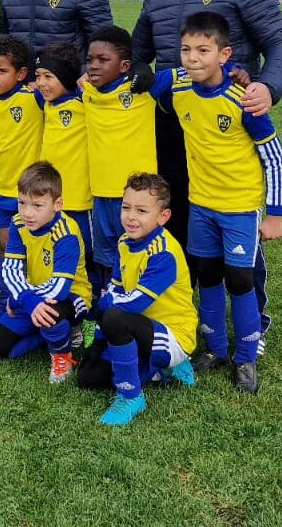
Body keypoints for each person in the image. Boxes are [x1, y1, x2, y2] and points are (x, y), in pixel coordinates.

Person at [131, 0, 282, 346]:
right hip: (172, 126)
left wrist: (267, 87)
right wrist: (133, 70)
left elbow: (280, 43)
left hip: (228, 129)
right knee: (181, 223)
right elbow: (140, 48)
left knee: (236, 229)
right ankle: (189, 318)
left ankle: (254, 323)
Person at [146, 12, 282, 395]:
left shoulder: (244, 99)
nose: (192, 58)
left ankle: (246, 358)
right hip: (200, 205)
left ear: (224, 54)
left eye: (203, 50)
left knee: (239, 280)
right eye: (186, 50)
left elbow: (274, 157)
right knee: (206, 275)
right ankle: (216, 349)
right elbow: (142, 83)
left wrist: (275, 215)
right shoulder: (178, 86)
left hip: (239, 207)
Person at [77, 173, 197, 426]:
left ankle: (132, 397)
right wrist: (95, 338)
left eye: (141, 210)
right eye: (126, 207)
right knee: (88, 376)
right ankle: (158, 370)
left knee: (113, 317)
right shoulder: (125, 242)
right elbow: (115, 287)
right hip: (137, 326)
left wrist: (101, 309)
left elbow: (133, 303)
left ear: (163, 216)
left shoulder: (163, 253)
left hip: (173, 335)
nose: (131, 216)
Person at [0, 162, 90, 383]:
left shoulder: (66, 233)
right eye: (22, 203)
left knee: (52, 313)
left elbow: (59, 288)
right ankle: (52, 336)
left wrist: (21, 299)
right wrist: (26, 299)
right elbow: (10, 269)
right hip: (32, 295)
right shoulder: (18, 223)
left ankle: (62, 356)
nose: (27, 213)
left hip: (71, 297)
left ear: (57, 204)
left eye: (38, 205)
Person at [81, 26, 157, 289]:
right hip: (100, 193)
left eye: (103, 60)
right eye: (90, 59)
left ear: (125, 65)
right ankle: (107, 300)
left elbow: (189, 73)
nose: (94, 66)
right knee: (105, 257)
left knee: (138, 253)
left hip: (137, 196)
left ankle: (137, 302)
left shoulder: (142, 90)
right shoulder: (87, 91)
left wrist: (144, 68)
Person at [33, 42, 96, 300]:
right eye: (38, 76)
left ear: (67, 77)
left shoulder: (84, 101)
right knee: (57, 247)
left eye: (49, 76)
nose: (41, 83)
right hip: (51, 197)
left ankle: (91, 301)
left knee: (87, 252)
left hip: (80, 197)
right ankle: (62, 296)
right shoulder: (46, 102)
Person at [0, 35, 43, 257]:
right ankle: (7, 280)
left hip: (33, 189)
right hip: (2, 187)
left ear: (21, 74)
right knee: (6, 245)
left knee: (35, 246)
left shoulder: (34, 98)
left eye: (2, 71)